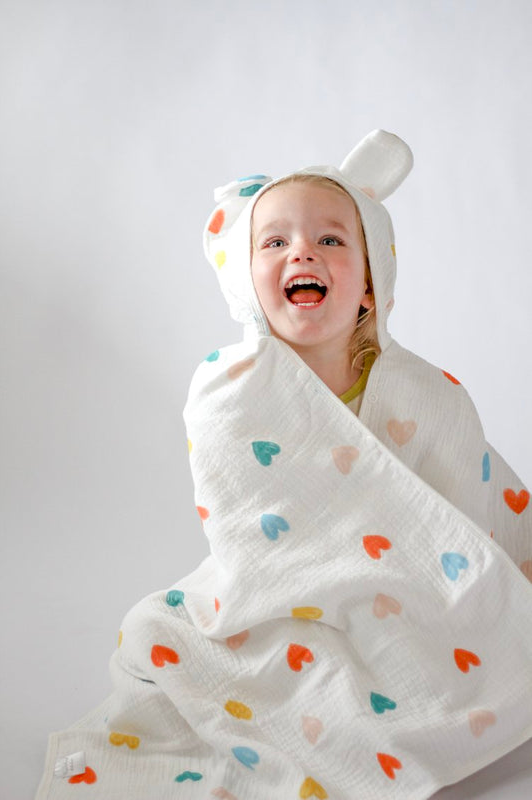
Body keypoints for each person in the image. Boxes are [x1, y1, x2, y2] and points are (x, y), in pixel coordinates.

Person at [36, 131, 532, 800]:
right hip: (283, 599)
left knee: (477, 660)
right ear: (246, 280)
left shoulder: (424, 394)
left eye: (330, 240)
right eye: (273, 242)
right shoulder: (229, 395)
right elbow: (250, 537)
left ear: (368, 285)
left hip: (412, 603)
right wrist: (333, 586)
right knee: (181, 644)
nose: (301, 250)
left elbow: (464, 512)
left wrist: (473, 595)